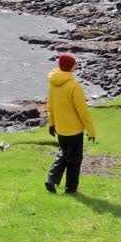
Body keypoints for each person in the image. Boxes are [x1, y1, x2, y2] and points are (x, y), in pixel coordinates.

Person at [45, 53, 97, 195]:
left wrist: (51, 123)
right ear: (70, 67)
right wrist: (91, 131)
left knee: (63, 154)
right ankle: (71, 189)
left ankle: (51, 179)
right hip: (74, 130)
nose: (76, 66)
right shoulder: (75, 87)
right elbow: (83, 111)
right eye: (75, 64)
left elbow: (50, 105)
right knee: (74, 160)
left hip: (60, 128)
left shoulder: (53, 84)